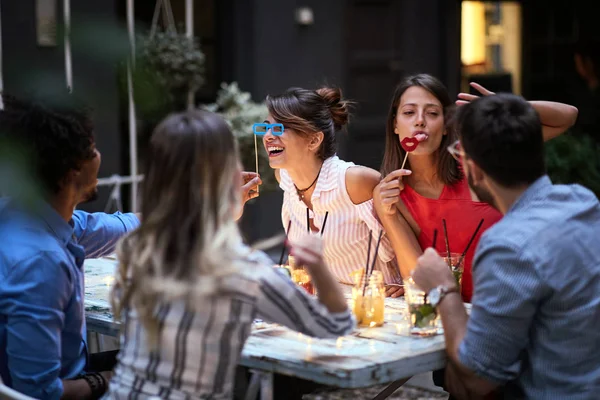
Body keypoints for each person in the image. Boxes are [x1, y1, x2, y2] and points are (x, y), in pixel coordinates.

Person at [106, 110, 354, 399]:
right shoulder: (240, 269)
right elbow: (335, 327)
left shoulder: (138, 248)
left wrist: (223, 212)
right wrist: (318, 264)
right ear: (225, 174)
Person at [412, 93, 600, 399]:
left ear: (473, 170)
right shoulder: (583, 201)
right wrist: (510, 112)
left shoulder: (507, 246)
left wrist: (443, 287)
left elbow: (476, 379)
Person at [373, 74, 578, 302]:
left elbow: (567, 117)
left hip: (520, 299)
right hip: (461, 313)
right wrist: (388, 215)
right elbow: (418, 283)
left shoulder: (475, 155)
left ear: (445, 127)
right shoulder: (391, 193)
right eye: (409, 113)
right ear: (394, 124)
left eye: (432, 113)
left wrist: (507, 109)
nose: (420, 121)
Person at [0, 94, 141, 399]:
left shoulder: (27, 215)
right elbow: (40, 393)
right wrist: (110, 378)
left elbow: (124, 228)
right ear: (73, 169)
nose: (99, 156)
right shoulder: (41, 263)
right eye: (92, 149)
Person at [260, 86, 402, 297]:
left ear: (314, 140)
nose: (268, 136)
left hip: (377, 305)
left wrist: (405, 284)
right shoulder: (285, 177)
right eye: (265, 128)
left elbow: (403, 242)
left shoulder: (356, 181)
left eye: (280, 128)